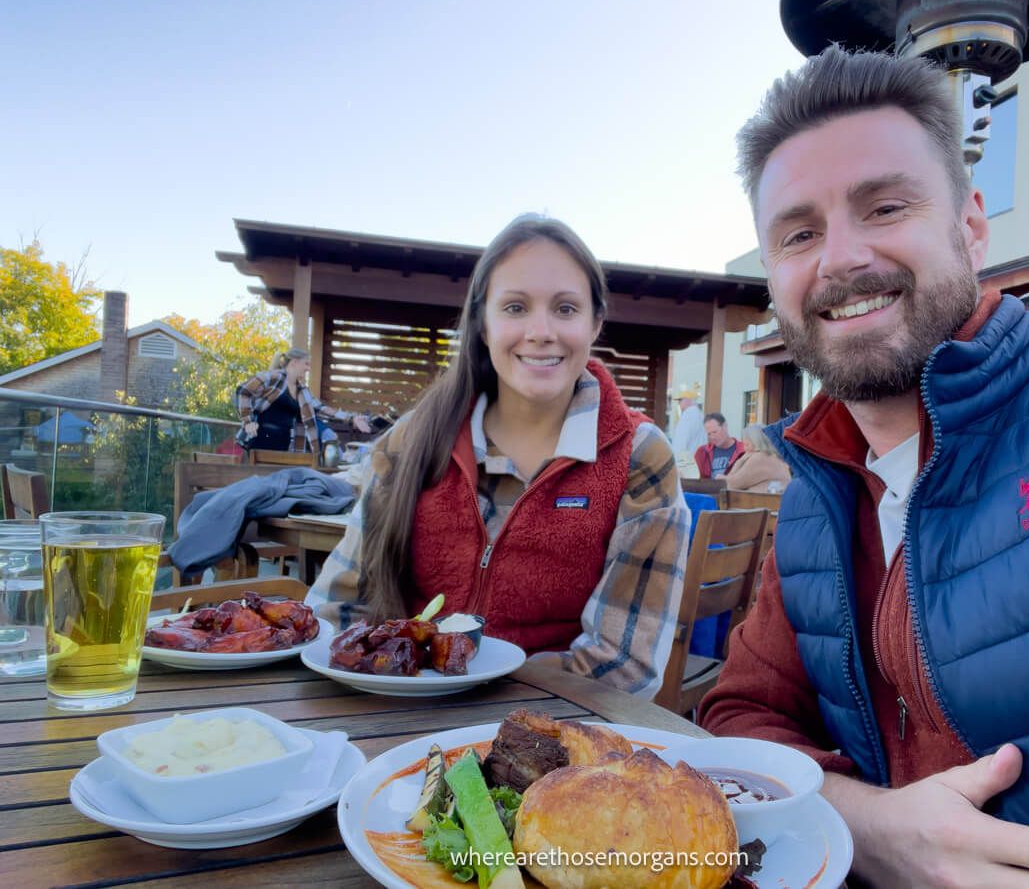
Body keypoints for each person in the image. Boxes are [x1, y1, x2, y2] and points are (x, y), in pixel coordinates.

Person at [698, 46, 1029, 888]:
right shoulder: (818, 497)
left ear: (970, 223)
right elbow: (738, 718)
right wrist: (873, 827)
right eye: (799, 234)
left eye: (885, 206)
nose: (841, 258)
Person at [307, 214, 689, 698]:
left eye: (566, 309)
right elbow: (335, 613)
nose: (541, 331)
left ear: (596, 322)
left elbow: (622, 668)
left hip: (553, 737)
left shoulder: (639, 456)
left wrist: (481, 705)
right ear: (483, 326)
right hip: (392, 713)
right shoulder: (412, 441)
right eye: (514, 307)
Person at [235, 348, 371, 452]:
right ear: (294, 363)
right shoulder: (273, 377)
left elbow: (321, 408)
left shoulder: (302, 390)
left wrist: (352, 418)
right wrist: (248, 422)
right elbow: (243, 391)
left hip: (285, 444)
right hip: (261, 441)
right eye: (306, 364)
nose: (308, 368)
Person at [720, 423, 789, 492]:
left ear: (756, 442)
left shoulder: (760, 458)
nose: (745, 449)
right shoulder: (775, 456)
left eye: (746, 445)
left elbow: (732, 484)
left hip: (763, 501)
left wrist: (739, 461)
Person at [694, 412, 745, 478]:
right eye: (709, 434)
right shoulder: (702, 452)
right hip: (708, 487)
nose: (712, 437)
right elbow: (694, 478)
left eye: (715, 432)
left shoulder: (744, 450)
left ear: (725, 426)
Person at [671, 387, 705, 478]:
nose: (679, 403)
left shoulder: (688, 415)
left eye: (680, 400)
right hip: (698, 463)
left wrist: (676, 465)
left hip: (686, 466)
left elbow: (680, 443)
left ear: (688, 400)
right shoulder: (700, 415)